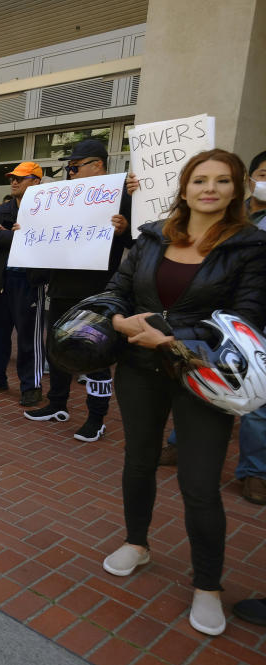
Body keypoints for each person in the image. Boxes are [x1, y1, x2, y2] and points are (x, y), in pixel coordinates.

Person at [99, 149, 266, 637]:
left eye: (221, 181)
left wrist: (173, 341)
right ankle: (136, 543)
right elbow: (118, 288)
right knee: (138, 460)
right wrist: (115, 318)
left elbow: (248, 321)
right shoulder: (152, 235)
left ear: (237, 190)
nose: (209, 188)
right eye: (199, 180)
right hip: (138, 367)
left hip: (203, 375)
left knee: (199, 483)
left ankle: (208, 586)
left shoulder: (250, 247)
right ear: (185, 187)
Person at [23, 139, 133, 442]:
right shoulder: (63, 196)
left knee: (94, 355)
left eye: (75, 167)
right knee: (57, 348)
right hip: (61, 287)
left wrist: (124, 231)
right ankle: (57, 403)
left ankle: (96, 418)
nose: (70, 173)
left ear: (97, 164)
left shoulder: (122, 196)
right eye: (69, 168)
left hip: (97, 292)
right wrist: (27, 233)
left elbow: (139, 245)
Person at [0, 161, 47, 407]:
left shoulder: (47, 210)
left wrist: (9, 235)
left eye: (21, 178)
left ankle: (31, 386)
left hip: (29, 281)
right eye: (13, 178)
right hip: (0, 281)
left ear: (36, 182)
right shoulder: (2, 209)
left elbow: (46, 241)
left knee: (28, 337)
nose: (14, 182)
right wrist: (17, 235)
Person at [234, 150, 266, 504]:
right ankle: (180, 445)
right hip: (218, 318)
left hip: (259, 319)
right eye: (263, 173)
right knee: (203, 383)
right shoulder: (229, 213)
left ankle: (254, 471)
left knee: (258, 396)